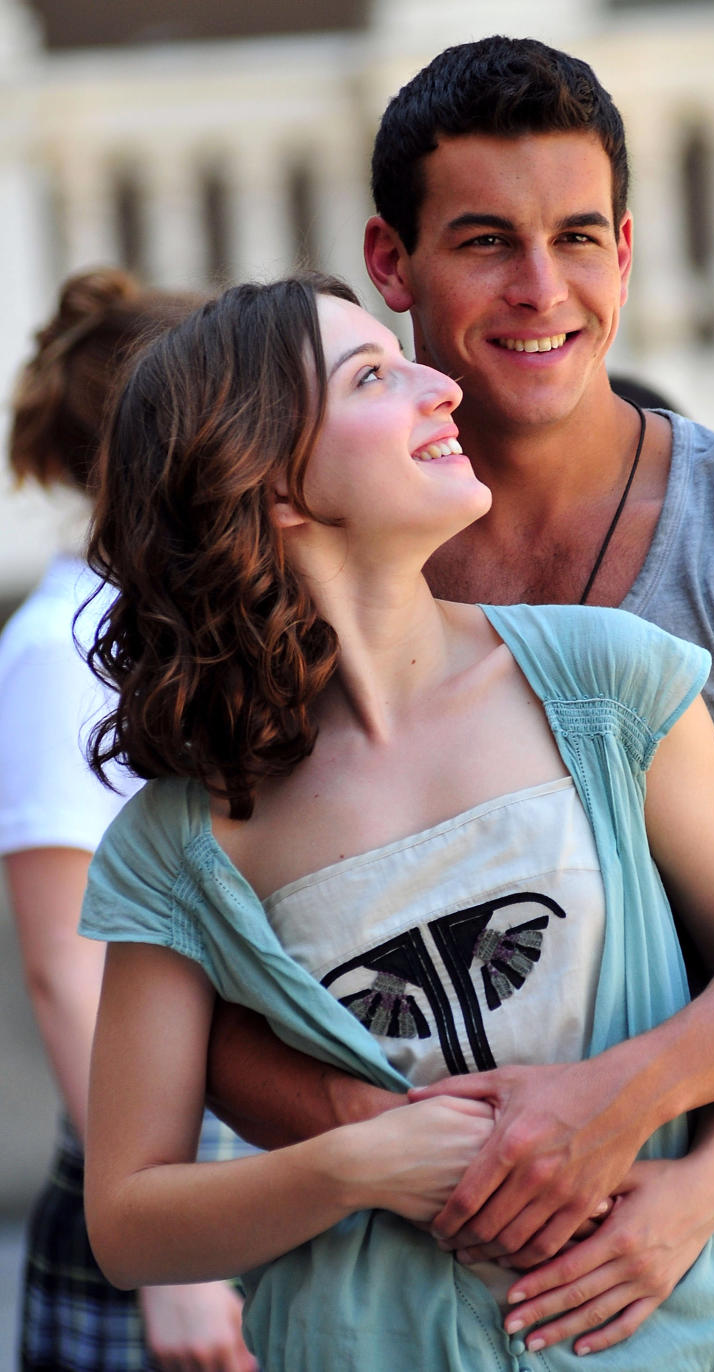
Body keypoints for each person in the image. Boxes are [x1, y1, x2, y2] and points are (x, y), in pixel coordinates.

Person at [204, 36, 714, 1370]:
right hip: (404, 1266)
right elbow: (209, 969)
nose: (543, 290)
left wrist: (664, 1167)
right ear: (392, 262)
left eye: (578, 237)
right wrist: (383, 1141)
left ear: (627, 252)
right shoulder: (304, 565)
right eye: (485, 242)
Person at [78, 270, 714, 1370]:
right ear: (275, 484)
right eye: (375, 374)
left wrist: (703, 1192)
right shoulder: (180, 844)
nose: (442, 387)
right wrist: (355, 1163)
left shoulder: (608, 684)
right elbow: (127, 1220)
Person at [0, 268, 259, 1372]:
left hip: (248, 1165)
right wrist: (176, 1260)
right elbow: (69, 968)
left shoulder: (185, 624)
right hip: (164, 1175)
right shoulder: (62, 647)